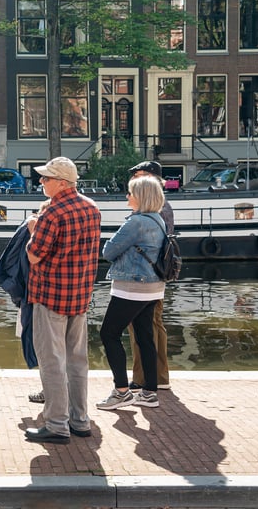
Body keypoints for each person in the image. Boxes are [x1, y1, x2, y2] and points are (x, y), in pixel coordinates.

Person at [23, 157, 101, 444]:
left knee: (51, 361)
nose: (41, 182)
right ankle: (80, 420)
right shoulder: (92, 208)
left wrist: (33, 228)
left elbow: (34, 254)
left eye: (46, 178)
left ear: (62, 183)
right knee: (77, 361)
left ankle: (56, 424)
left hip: (50, 295)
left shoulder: (52, 212)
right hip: (80, 296)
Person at [96, 174, 167, 410]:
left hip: (132, 287)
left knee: (109, 334)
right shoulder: (158, 219)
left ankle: (121, 391)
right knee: (145, 337)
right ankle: (149, 392)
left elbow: (108, 251)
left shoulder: (135, 223)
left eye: (131, 192)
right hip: (154, 287)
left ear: (141, 196)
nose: (127, 196)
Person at [0, 200, 50, 404]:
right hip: (63, 296)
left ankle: (49, 392)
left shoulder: (33, 228)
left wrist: (17, 292)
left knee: (43, 345)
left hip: (35, 294)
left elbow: (17, 261)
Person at [127, 161, 174, 391]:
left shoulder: (152, 209)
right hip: (158, 276)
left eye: (140, 175)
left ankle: (142, 378)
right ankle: (160, 376)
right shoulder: (163, 206)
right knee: (156, 324)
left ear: (154, 178)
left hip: (145, 278)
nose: (136, 179)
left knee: (141, 327)